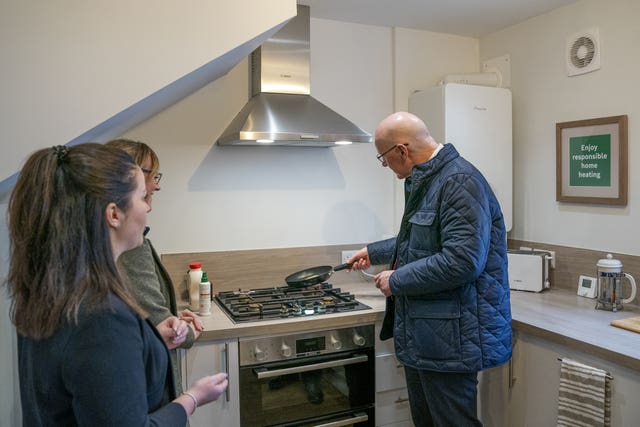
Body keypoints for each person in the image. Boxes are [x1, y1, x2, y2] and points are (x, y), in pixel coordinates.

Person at [6, 143, 228, 425]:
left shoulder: (47, 291)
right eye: (140, 197)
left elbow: (92, 374)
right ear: (113, 214)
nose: (147, 207)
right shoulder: (102, 316)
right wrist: (192, 398)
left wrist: (149, 339)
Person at [347, 112, 512, 427]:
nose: (386, 167)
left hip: (454, 337)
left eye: (384, 159)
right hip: (430, 334)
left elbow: (462, 260)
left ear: (402, 151)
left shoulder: (459, 181)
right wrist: (373, 251)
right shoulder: (430, 180)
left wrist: (397, 279)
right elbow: (421, 238)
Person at [106, 138, 204, 396]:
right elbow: (158, 323)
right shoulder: (130, 246)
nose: (157, 186)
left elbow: (147, 315)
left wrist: (175, 318)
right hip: (148, 390)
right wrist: (189, 330)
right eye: (152, 176)